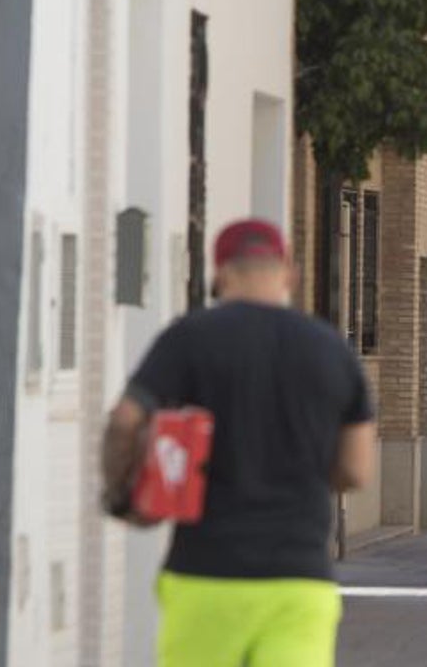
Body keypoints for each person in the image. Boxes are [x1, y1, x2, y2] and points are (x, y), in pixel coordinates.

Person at [102, 219, 376, 667]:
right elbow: (355, 470)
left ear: (221, 273)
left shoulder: (187, 339)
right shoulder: (332, 351)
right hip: (299, 580)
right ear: (290, 272)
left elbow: (124, 420)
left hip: (205, 575)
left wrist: (122, 499)